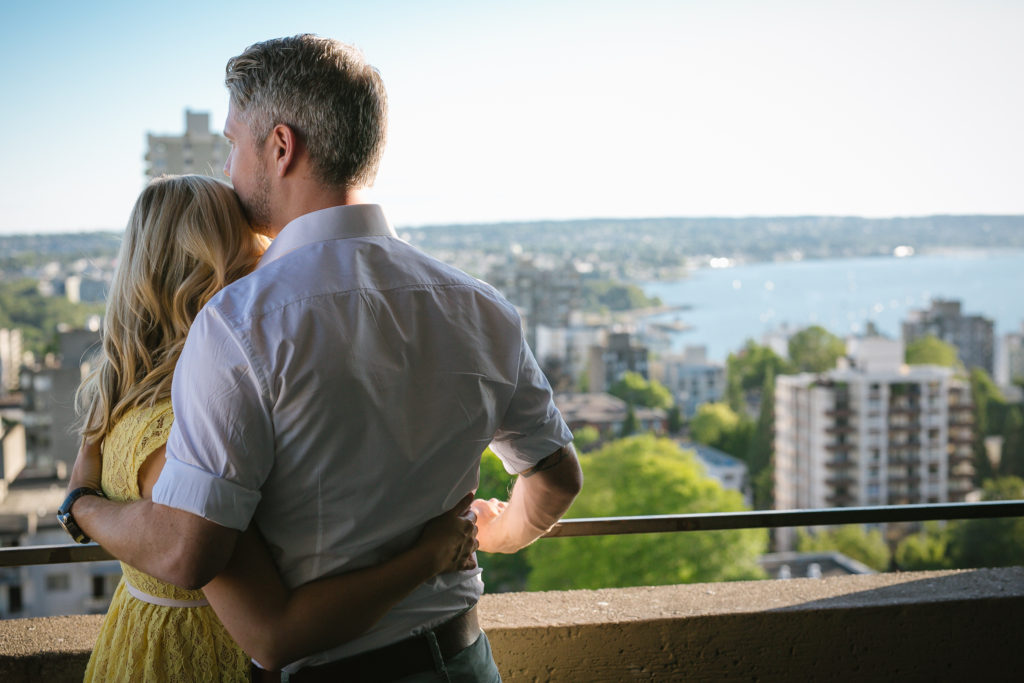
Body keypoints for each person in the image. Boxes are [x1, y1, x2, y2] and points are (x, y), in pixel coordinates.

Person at [65, 34, 583, 681]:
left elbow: (189, 553)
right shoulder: (480, 306)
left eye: (232, 143)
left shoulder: (237, 324)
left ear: (280, 147)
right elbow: (558, 475)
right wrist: (491, 531)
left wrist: (80, 504)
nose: (228, 168)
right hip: (465, 658)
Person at [73, 174, 479, 681]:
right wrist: (431, 554)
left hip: (133, 644)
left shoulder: (115, 395)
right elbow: (275, 633)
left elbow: (81, 488)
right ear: (226, 266)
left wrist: (79, 505)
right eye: (258, 254)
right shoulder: (195, 421)